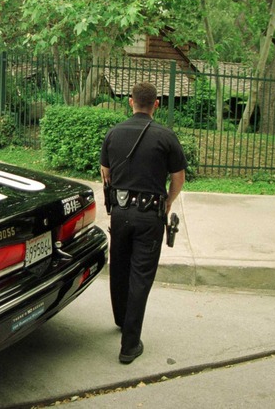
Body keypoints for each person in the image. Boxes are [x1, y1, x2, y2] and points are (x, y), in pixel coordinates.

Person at [99, 81, 187, 364]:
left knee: (120, 268)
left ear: (130, 102)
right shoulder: (166, 136)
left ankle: (122, 320)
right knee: (140, 276)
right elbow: (178, 177)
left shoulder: (113, 133)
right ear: (156, 104)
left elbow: (105, 173)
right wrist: (169, 202)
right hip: (150, 216)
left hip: (121, 213)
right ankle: (130, 345)